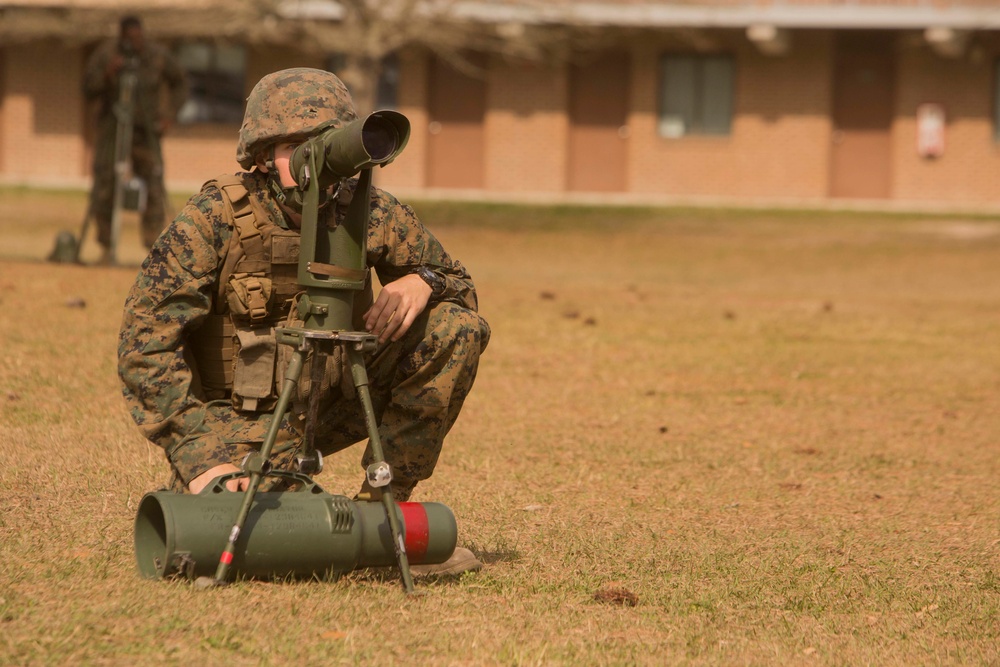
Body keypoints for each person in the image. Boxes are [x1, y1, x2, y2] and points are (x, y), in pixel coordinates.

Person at [118, 68, 490, 575]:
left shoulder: (369, 213)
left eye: (327, 143)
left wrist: (424, 281)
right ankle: (240, 492)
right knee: (255, 536)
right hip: (241, 422)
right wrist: (203, 458)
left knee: (456, 328)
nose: (315, 162)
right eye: (296, 146)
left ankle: (381, 512)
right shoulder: (214, 218)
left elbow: (459, 285)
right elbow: (145, 346)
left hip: (332, 399)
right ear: (261, 155)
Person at [83, 15, 188, 261]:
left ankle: (156, 249)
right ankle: (106, 246)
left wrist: (169, 116)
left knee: (153, 182)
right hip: (113, 127)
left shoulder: (158, 56)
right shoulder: (106, 54)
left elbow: (180, 83)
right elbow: (88, 88)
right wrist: (109, 74)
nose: (133, 42)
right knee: (105, 184)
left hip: (146, 130)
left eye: (137, 37)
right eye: (128, 38)